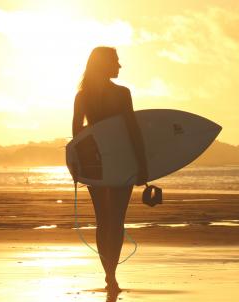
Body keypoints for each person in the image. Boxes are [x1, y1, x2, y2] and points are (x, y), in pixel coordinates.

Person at [72, 46, 148, 294]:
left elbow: (76, 136)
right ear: (104, 64)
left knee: (104, 221)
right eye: (115, 60)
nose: (119, 65)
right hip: (122, 162)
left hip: (96, 165)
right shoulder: (122, 93)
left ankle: (109, 274)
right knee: (116, 221)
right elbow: (133, 131)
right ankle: (111, 275)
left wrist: (80, 167)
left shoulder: (83, 96)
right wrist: (143, 166)